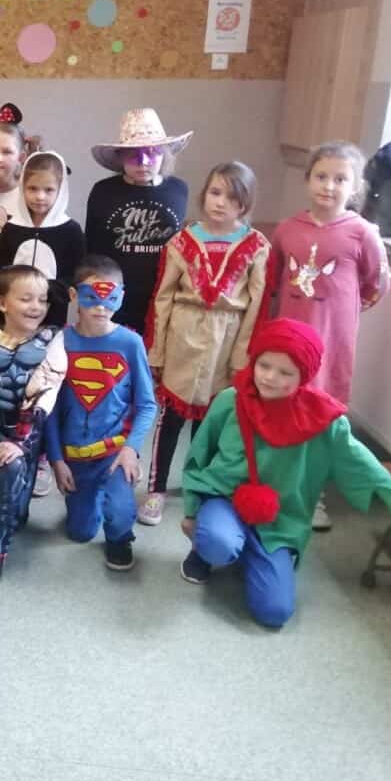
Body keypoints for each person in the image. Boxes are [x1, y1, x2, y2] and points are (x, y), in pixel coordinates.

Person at [179, 318, 391, 629]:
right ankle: (208, 548)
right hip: (225, 499)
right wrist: (192, 510)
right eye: (264, 365)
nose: (270, 377)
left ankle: (253, 553)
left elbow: (364, 464)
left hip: (280, 518)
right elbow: (199, 454)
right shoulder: (230, 401)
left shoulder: (325, 420)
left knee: (274, 613)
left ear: (304, 375)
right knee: (217, 542)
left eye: (285, 372)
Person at [140, 161, 271, 526]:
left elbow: (257, 305)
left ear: (245, 204)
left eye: (232, 197)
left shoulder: (257, 246)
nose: (221, 202)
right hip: (183, 336)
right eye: (215, 192)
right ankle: (156, 489)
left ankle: (198, 486)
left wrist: (243, 357)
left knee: (211, 423)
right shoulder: (181, 242)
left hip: (226, 342)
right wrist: (157, 351)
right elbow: (163, 297)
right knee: (170, 419)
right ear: (204, 194)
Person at [270, 141, 391, 532]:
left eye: (340, 179)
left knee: (319, 418)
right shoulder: (287, 230)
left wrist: (339, 316)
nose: (329, 186)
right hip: (288, 346)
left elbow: (375, 286)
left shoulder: (362, 233)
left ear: (354, 187)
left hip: (331, 348)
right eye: (321, 176)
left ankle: (312, 496)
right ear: (307, 180)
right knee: (283, 411)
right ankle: (277, 487)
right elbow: (272, 282)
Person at [45, 255, 157, 571]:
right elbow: (49, 407)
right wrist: (56, 460)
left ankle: (120, 535)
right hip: (75, 455)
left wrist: (131, 449)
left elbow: (147, 404)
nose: (101, 307)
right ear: (73, 295)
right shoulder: (60, 342)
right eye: (91, 296)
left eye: (111, 298)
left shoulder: (130, 343)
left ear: (121, 296)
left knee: (119, 513)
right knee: (80, 532)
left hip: (115, 452)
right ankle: (93, 498)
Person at [0, 266, 66, 584]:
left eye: (43, 300)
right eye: (26, 299)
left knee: (14, 507)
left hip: (26, 437)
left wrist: (18, 443)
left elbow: (46, 394)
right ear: (1, 303)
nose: (36, 306)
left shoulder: (52, 340)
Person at [86, 108, 192, 333]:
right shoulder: (103, 192)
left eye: (152, 153)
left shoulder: (178, 190)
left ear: (164, 154)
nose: (143, 162)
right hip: (114, 299)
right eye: (133, 155)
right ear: (120, 157)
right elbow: (92, 249)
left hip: (164, 296)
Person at [0, 150, 85, 329]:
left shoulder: (70, 230)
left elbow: (75, 276)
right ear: (22, 187)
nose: (40, 196)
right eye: (33, 188)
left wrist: (43, 292)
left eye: (49, 190)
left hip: (52, 319)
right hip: (11, 317)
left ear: (60, 191)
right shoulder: (12, 228)